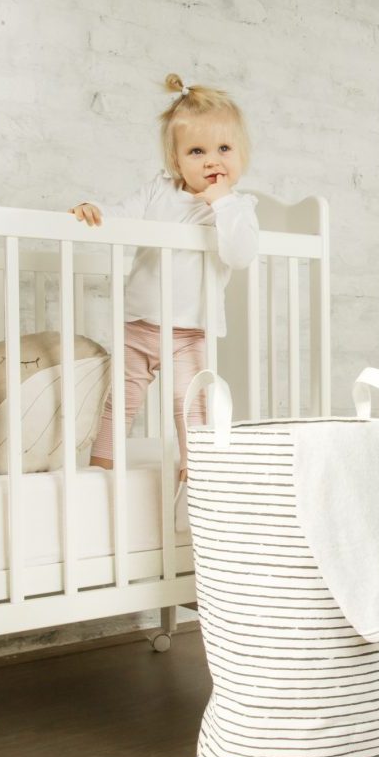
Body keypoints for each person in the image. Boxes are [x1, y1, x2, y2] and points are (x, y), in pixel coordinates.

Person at [71, 73, 258, 523]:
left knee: (190, 408)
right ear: (176, 159)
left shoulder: (237, 208)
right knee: (119, 402)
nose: (212, 161)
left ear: (241, 155)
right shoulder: (160, 191)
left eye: (224, 150)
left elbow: (241, 252)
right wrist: (97, 213)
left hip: (189, 333)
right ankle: (100, 478)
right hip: (139, 324)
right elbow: (122, 217)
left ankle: (194, 492)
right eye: (197, 151)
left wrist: (222, 202)